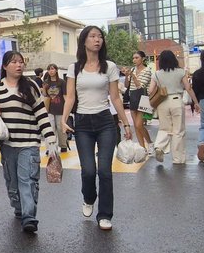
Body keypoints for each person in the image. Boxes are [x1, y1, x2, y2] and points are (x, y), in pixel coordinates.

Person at [62, 25, 131, 231]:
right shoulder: (74, 68)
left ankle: (105, 214)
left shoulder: (109, 66)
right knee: (89, 171)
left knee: (104, 171)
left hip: (105, 121)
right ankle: (88, 197)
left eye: (100, 36)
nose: (97, 40)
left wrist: (125, 123)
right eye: (92, 36)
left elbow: (115, 97)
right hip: (82, 122)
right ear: (84, 41)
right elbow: (70, 97)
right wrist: (63, 120)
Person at [0, 49, 57, 234]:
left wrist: (50, 140)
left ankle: (29, 216)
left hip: (28, 143)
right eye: (14, 62)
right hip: (8, 145)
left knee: (27, 180)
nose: (19, 65)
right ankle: (19, 208)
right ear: (4, 66)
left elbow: (42, 114)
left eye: (21, 62)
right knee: (12, 182)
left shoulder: (30, 86)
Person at [149, 50, 191, 164]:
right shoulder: (180, 72)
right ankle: (178, 159)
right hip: (176, 101)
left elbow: (150, 90)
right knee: (178, 131)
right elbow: (188, 87)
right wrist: (196, 102)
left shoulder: (157, 74)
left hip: (162, 102)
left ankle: (159, 147)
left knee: (164, 128)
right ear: (174, 59)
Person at [126, 50, 153, 150]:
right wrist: (127, 76)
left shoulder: (147, 70)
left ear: (143, 59)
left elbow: (141, 86)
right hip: (133, 97)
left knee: (139, 124)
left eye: (136, 58)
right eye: (133, 58)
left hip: (143, 98)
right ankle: (142, 148)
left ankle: (150, 143)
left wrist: (133, 76)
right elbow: (126, 86)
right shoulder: (132, 69)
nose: (134, 60)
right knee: (136, 126)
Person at [41, 64, 67, 151]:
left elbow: (65, 96)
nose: (51, 71)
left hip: (60, 108)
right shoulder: (46, 82)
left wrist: (67, 108)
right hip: (49, 108)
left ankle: (63, 145)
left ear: (56, 70)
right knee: (50, 129)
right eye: (49, 69)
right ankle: (50, 148)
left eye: (52, 69)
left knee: (60, 128)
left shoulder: (62, 82)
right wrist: (44, 88)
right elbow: (45, 95)